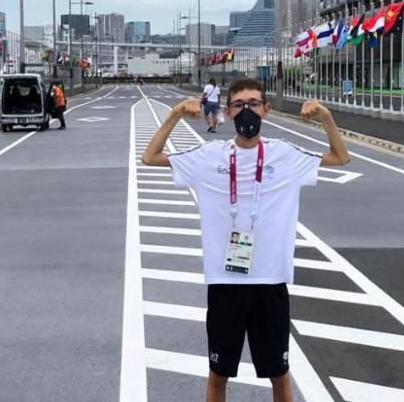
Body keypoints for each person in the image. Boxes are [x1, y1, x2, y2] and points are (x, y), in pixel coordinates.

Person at [141, 78, 350, 402]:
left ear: (266, 109)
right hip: (225, 284)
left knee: (279, 376)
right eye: (238, 105)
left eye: (253, 104)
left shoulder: (285, 155)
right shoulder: (208, 156)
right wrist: (175, 115)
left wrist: (326, 118)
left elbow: (340, 157)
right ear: (227, 112)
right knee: (218, 376)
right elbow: (150, 157)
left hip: (270, 282)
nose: (246, 111)